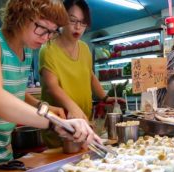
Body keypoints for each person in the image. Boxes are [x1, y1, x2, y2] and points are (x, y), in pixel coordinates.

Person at [0, 0, 101, 164]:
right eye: (42, 28)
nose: (45, 38)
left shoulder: (27, 50)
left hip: (3, 152)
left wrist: (43, 107)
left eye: (51, 32)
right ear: (20, 15)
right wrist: (54, 123)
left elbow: (15, 92)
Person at [39, 0, 122, 147]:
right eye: (72, 20)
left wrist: (105, 97)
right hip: (61, 126)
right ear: (61, 19)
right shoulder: (48, 48)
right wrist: (73, 108)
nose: (78, 27)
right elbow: (52, 87)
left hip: (84, 123)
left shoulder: (84, 48)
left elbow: (89, 75)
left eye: (83, 22)